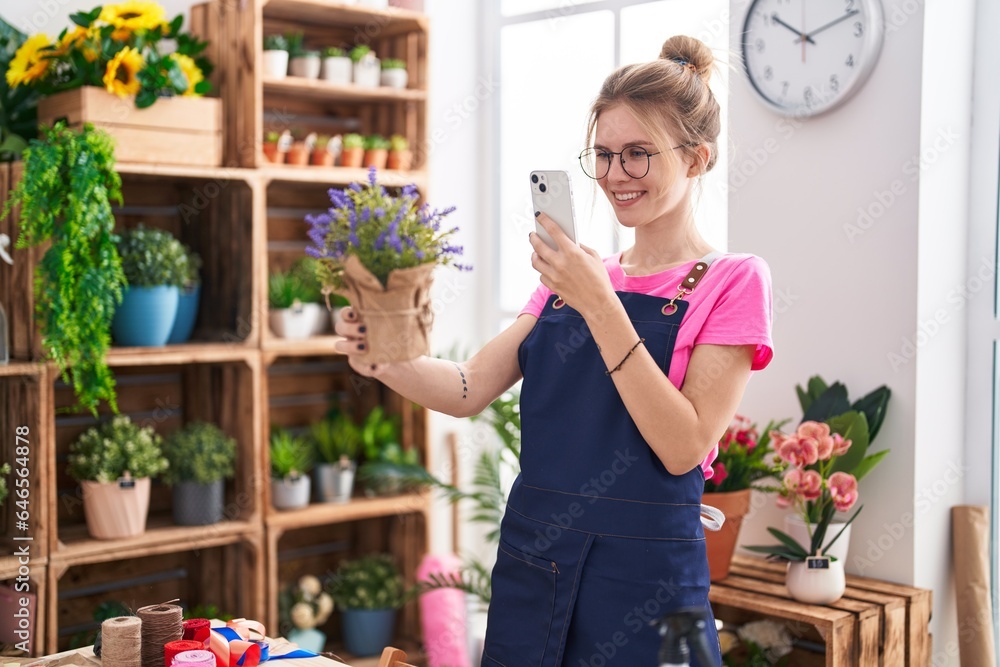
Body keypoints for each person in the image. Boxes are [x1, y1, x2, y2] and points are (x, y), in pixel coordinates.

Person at [335, 34, 773, 667]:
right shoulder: (575, 275)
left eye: (638, 155)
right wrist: (381, 358)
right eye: (603, 154)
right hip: (533, 568)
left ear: (698, 157)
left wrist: (600, 302)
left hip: (645, 585)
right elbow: (466, 388)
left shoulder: (733, 280)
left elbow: (684, 445)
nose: (615, 175)